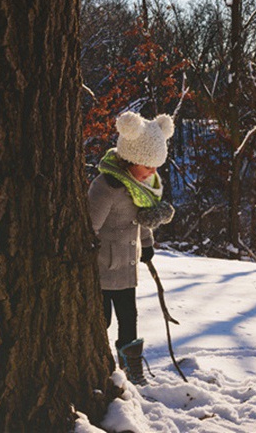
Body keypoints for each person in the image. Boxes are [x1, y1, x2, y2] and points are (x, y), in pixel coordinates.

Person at [87, 111, 175, 385]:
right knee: (101, 319)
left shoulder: (141, 188)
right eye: (147, 165)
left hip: (127, 268)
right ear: (130, 159)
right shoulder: (106, 187)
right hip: (103, 269)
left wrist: (147, 245)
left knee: (129, 318)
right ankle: (96, 365)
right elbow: (89, 227)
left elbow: (143, 219)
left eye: (156, 166)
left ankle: (131, 370)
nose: (152, 172)